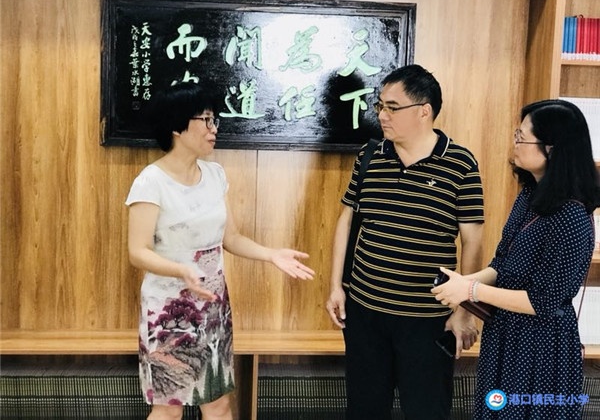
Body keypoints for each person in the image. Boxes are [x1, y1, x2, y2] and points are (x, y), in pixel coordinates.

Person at [125, 82, 315, 420]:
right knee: (169, 410)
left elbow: (232, 238)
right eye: (206, 120)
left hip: (213, 309)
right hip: (169, 311)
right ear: (177, 126)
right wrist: (179, 270)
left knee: (219, 404)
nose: (214, 129)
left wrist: (271, 254)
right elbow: (137, 251)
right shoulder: (150, 181)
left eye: (215, 120)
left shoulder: (215, 174)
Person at [325, 64, 485, 420]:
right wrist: (336, 286)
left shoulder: (460, 163)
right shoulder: (370, 156)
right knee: (364, 411)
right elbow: (346, 220)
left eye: (393, 107)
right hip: (365, 313)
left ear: (424, 111)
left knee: (427, 411)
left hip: (429, 319)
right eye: (380, 106)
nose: (382, 115)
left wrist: (464, 311)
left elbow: (473, 242)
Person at [432, 99, 600, 420]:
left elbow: (543, 301)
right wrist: (462, 283)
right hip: (505, 334)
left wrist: (470, 291)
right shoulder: (528, 195)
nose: (516, 144)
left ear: (551, 149)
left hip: (542, 346)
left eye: (522, 138)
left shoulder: (572, 217)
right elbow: (502, 264)